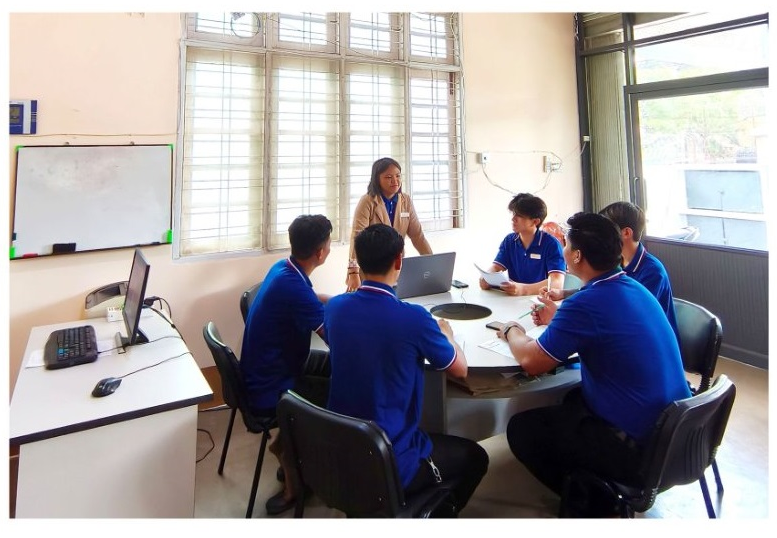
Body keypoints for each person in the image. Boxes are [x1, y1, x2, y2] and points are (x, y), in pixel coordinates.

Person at [497, 212, 691, 516]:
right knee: (571, 399)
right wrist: (561, 319)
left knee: (522, 429)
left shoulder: (586, 303)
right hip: (680, 435)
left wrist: (512, 330)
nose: (563, 250)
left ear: (577, 256)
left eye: (566, 245)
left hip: (640, 452)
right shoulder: (633, 286)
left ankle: (596, 502)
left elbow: (531, 361)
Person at [325, 224, 489, 516]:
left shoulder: (335, 308)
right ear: (399, 260)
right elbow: (460, 370)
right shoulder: (414, 318)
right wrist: (448, 336)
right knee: (476, 457)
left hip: (341, 448)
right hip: (389, 458)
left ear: (358, 261)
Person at [240, 214, 333, 515]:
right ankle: (292, 473)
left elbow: (308, 297)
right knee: (342, 389)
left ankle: (297, 451)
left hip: (267, 369)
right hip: (272, 386)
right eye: (329, 243)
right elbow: (333, 338)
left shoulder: (283, 268)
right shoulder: (294, 287)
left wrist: (336, 301)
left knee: (331, 368)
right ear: (320, 252)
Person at [545, 201, 679, 341]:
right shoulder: (615, 260)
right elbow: (599, 291)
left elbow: (627, 317)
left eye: (607, 229)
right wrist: (564, 293)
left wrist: (562, 317)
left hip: (649, 340)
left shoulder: (652, 271)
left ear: (626, 233)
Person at [346, 157, 432, 292]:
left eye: (398, 176)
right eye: (388, 177)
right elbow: (356, 237)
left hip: (395, 268)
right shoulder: (367, 201)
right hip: (371, 269)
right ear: (377, 179)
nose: (395, 181)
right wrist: (353, 272)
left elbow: (417, 236)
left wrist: (431, 263)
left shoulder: (406, 200)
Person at [479, 193, 565, 296]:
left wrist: (523, 289)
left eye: (519, 216)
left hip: (539, 301)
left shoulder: (551, 244)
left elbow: (556, 283)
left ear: (535, 221)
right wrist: (486, 277)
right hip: (512, 300)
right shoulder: (509, 240)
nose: (513, 219)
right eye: (513, 214)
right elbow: (496, 267)